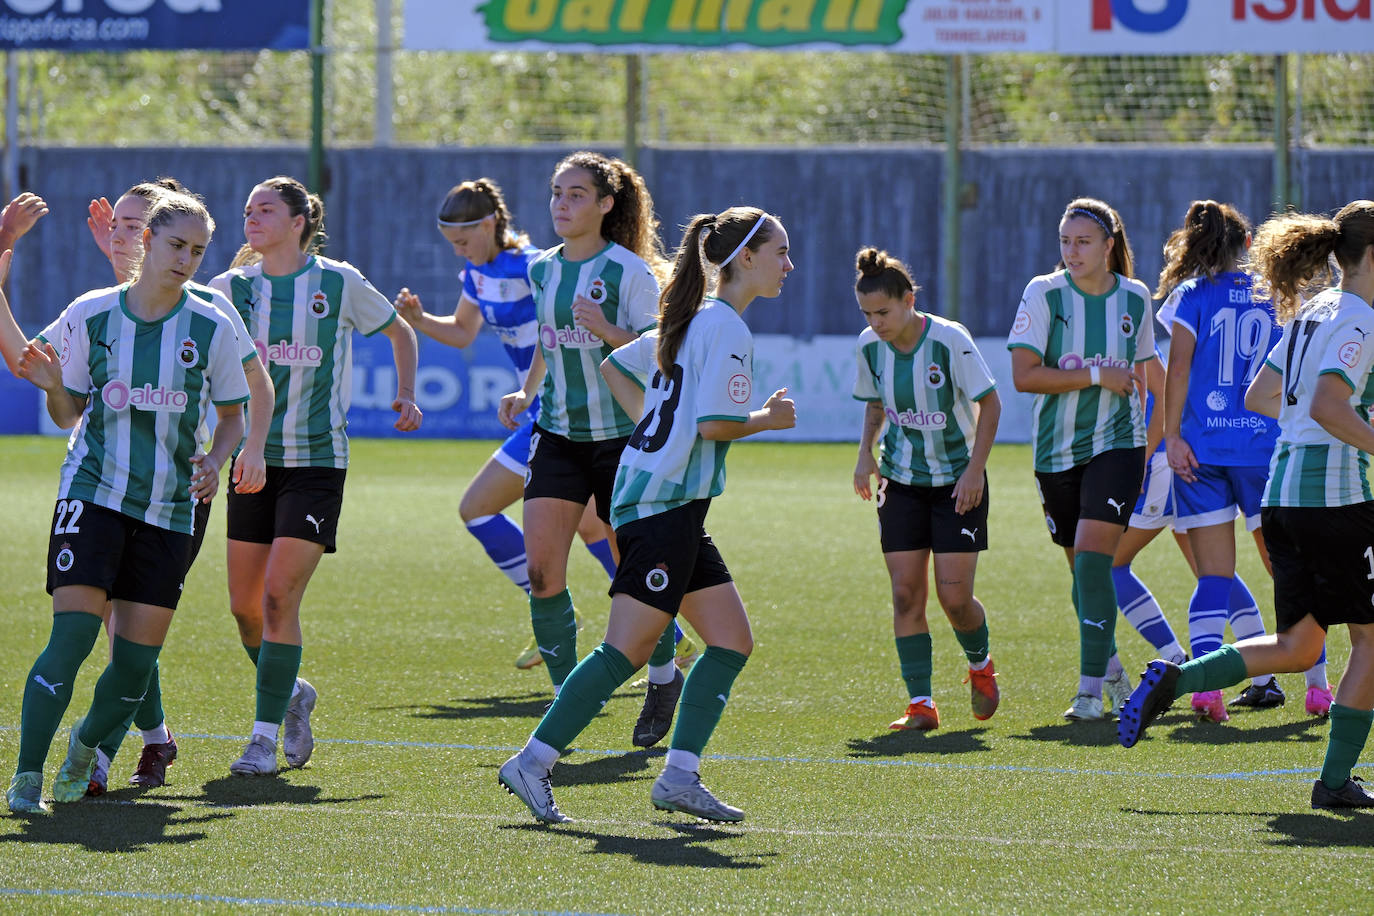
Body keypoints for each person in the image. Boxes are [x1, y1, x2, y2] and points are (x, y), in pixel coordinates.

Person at [498, 205, 795, 824]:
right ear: (745, 257)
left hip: (665, 499)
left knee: (731, 641)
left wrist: (653, 439)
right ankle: (531, 762)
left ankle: (679, 778)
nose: (787, 266)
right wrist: (767, 419)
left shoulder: (692, 319)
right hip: (661, 503)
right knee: (624, 650)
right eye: (779, 253)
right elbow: (715, 423)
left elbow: (614, 366)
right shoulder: (726, 328)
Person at [1119, 201, 1374, 810]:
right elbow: (1328, 408)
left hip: (1284, 494)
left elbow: (1264, 394)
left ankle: (1179, 677)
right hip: (1335, 499)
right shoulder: (1361, 322)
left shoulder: (1315, 310)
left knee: (1300, 647)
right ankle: (1334, 782)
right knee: (1369, 643)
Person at [6, 193, 250, 812]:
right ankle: (26, 778)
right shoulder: (92, 314)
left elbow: (232, 416)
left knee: (136, 667)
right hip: (93, 494)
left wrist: (217, 462)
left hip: (170, 509)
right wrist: (54, 383)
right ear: (146, 243)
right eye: (176, 245)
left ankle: (86, 746)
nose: (187, 259)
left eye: (197, 250)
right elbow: (69, 413)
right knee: (74, 638)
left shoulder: (212, 324)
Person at [393, 178, 692, 674]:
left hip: (562, 415)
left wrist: (531, 391)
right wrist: (421, 319)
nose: (459, 251)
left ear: (490, 223)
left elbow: (561, 339)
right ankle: (651, 634)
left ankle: (576, 622)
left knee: (480, 508)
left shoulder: (537, 264)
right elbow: (464, 332)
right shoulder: (478, 271)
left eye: (463, 240)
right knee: (595, 527)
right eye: (452, 244)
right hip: (542, 412)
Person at [209, 175, 422, 776]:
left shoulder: (337, 281)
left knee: (278, 597)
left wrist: (406, 395)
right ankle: (294, 693)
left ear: (300, 220)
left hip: (317, 463)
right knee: (244, 609)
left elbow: (399, 331)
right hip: (251, 462)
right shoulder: (229, 290)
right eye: (248, 208)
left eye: (266, 209)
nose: (252, 217)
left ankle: (261, 739)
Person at [71, 179, 274, 794]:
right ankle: (154, 739)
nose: (125, 234)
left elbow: (254, 389)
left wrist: (243, 451)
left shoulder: (206, 312)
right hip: (100, 477)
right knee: (109, 619)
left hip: (175, 486)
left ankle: (105, 753)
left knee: (128, 622)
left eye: (136, 224)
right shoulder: (104, 306)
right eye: (122, 225)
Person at [495, 151, 686, 748]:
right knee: (544, 571)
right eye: (556, 192)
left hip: (621, 441)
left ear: (606, 205)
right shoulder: (544, 269)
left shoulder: (630, 272)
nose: (561, 203)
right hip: (556, 434)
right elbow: (549, 344)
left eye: (576, 194)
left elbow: (660, 358)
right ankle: (565, 706)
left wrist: (608, 331)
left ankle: (662, 674)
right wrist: (526, 391)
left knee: (636, 576)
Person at [1158, 199, 1332, 722]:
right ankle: (1319, 688)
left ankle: (1206, 692)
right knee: (1286, 572)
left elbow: (1179, 368)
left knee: (1214, 576)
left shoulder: (1189, 294)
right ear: (1249, 246)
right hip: (1266, 450)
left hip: (1202, 449)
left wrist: (1171, 436)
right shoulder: (1276, 293)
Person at [1007, 197, 1155, 721]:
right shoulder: (1044, 293)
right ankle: (1114, 672)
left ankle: (1088, 692)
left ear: (1109, 246)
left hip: (1118, 444)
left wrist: (1169, 434)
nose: (1072, 251)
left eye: (1083, 241)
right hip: (1055, 453)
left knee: (1095, 560)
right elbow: (1024, 376)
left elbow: (1149, 372)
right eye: (1065, 241)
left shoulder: (1135, 298)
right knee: (1081, 576)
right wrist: (1096, 375)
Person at [850, 247, 1002, 731]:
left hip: (957, 483)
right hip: (900, 481)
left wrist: (975, 472)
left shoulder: (949, 339)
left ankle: (980, 666)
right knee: (904, 595)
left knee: (955, 599)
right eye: (867, 314)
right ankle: (921, 704)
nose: (876, 322)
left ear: (909, 300)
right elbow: (875, 403)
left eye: (884, 312)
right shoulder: (869, 347)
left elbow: (991, 404)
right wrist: (864, 453)